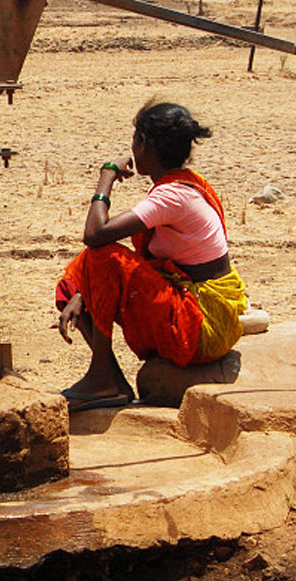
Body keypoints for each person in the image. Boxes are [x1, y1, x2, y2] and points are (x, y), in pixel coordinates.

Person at [55, 100, 246, 412]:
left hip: (203, 325)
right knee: (72, 285)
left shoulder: (173, 196)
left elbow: (95, 234)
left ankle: (102, 380)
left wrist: (107, 175)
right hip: (196, 304)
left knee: (101, 256)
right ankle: (110, 379)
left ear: (143, 142)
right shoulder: (184, 184)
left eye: (135, 138)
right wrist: (83, 294)